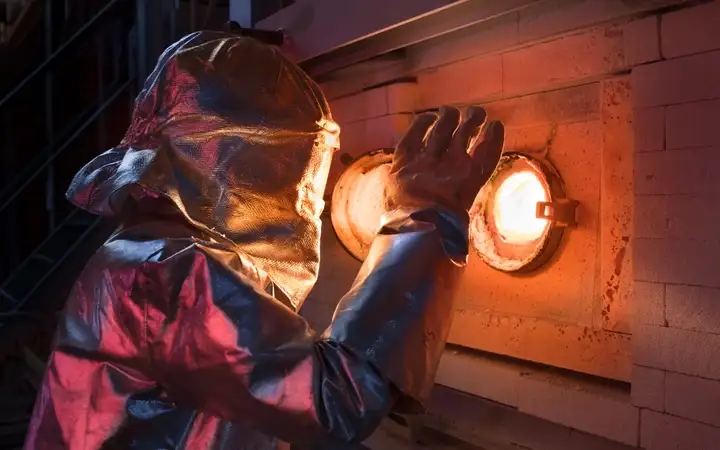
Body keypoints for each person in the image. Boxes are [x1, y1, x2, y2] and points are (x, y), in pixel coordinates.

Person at [24, 31, 504, 450]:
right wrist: (422, 214)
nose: (304, 198)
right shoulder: (167, 272)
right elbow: (336, 400)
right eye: (294, 167)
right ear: (241, 158)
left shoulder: (146, 253)